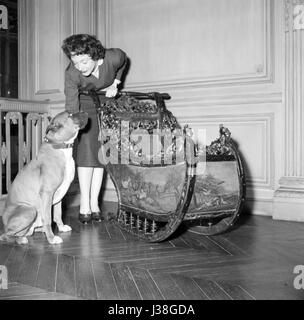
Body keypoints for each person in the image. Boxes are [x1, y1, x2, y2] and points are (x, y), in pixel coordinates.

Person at [62, 34, 128, 224]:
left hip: (106, 104)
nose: (80, 67)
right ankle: (84, 204)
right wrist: (76, 127)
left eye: (84, 62)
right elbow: (72, 106)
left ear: (96, 56)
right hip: (85, 106)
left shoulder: (113, 57)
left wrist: (116, 82)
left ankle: (94, 203)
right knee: (86, 152)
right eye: (76, 62)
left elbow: (124, 61)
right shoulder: (72, 74)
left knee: (101, 152)